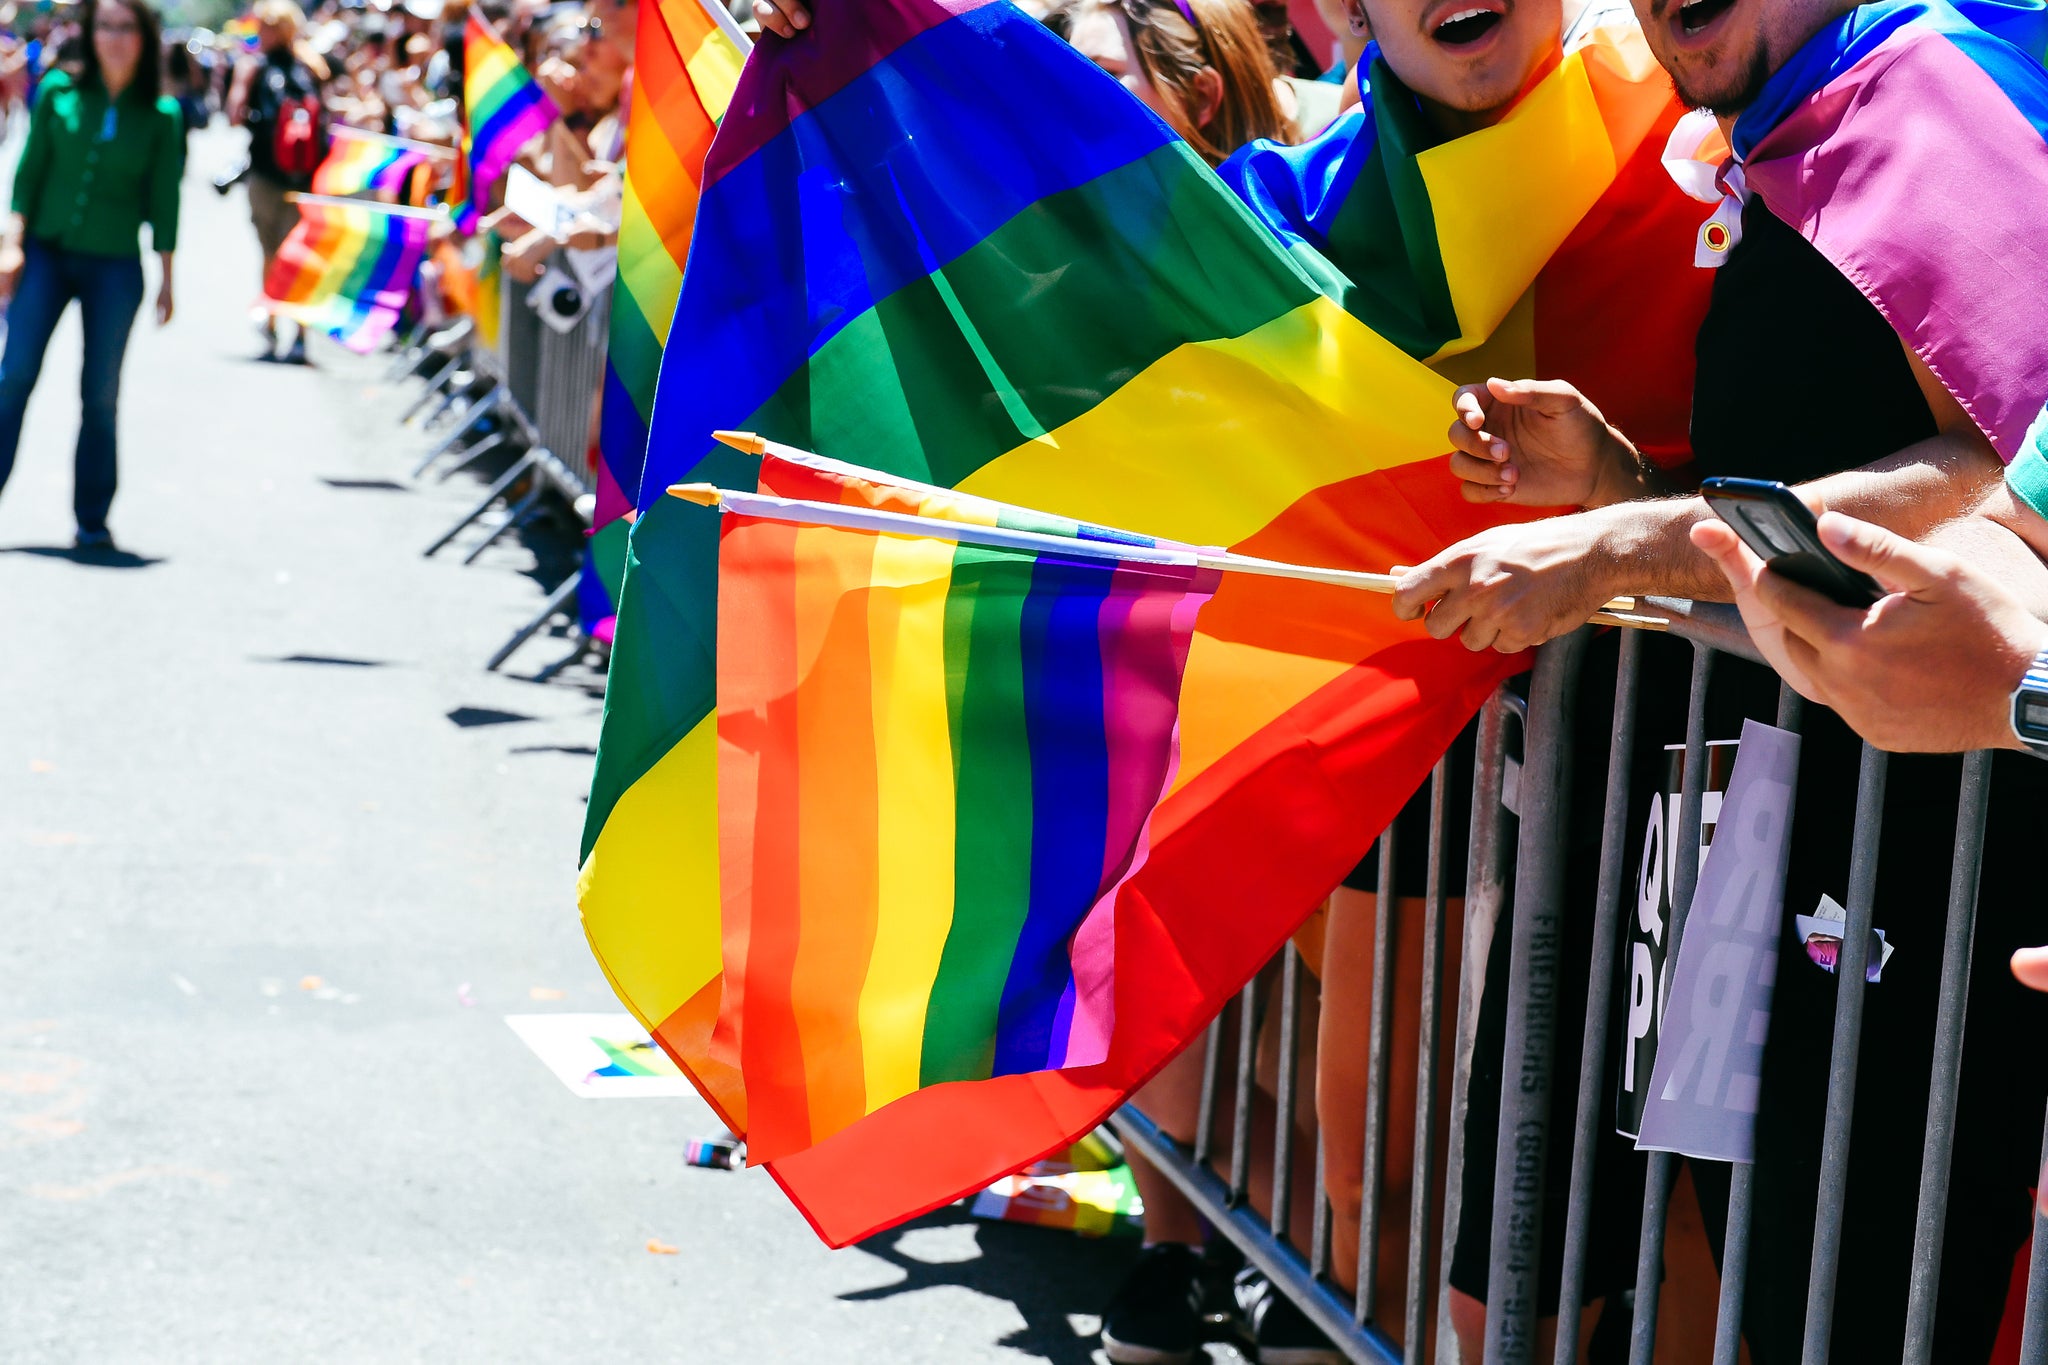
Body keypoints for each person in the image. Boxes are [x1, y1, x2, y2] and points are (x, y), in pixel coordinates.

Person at [1394, 0, 2048, 1351]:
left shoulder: (1918, 90)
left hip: (1921, 881)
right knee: (1692, 1265)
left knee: (1839, 1305)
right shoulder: (1801, 123)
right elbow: (1801, 514)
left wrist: (1633, 534)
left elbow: (2004, 469)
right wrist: (1625, 482)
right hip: (1753, 832)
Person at [0, 0, 179, 553]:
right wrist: (11, 242)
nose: (115, 38)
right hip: (48, 255)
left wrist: (169, 277)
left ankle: (92, 518)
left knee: (99, 396)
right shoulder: (57, 92)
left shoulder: (162, 116)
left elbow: (165, 203)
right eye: (106, 25)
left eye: (126, 27)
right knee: (14, 377)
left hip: (115, 266)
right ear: (90, 31)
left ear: (144, 37)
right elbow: (27, 175)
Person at [228, 0, 328, 364]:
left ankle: (271, 325)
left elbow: (234, 113)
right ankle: (298, 335)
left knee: (271, 253)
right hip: (306, 175)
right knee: (299, 255)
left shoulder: (253, 67)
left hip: (267, 174)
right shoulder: (312, 66)